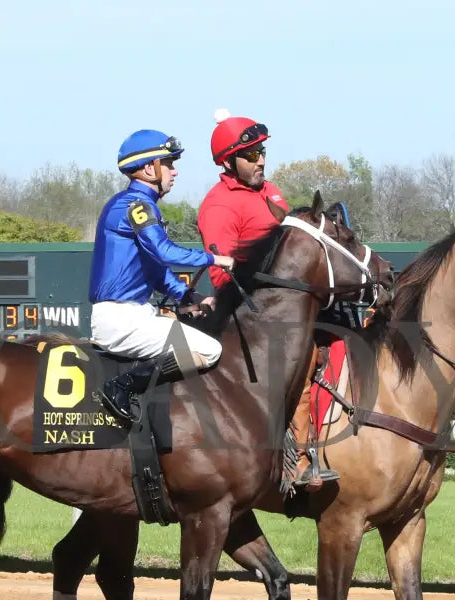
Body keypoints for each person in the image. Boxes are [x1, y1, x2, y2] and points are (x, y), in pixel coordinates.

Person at [197, 110, 339, 492]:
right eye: (251, 153)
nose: (260, 159)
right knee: (304, 358)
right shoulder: (219, 206)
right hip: (253, 318)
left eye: (261, 150)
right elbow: (220, 275)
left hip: (295, 307)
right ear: (229, 162)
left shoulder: (271, 192)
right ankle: (296, 459)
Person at [89, 129, 235, 424]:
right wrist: (214, 258)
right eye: (169, 163)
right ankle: (122, 387)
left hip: (134, 316)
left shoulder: (140, 205)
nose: (174, 171)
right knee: (210, 350)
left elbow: (156, 271)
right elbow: (166, 252)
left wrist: (189, 298)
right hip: (121, 321)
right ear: (149, 168)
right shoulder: (135, 206)